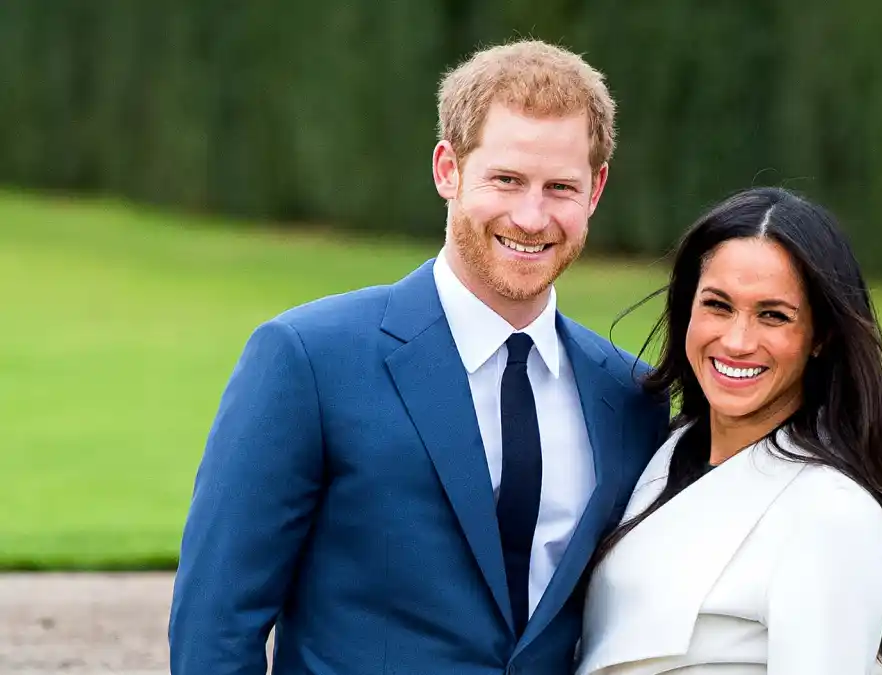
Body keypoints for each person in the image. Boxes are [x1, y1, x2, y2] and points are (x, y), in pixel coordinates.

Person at [168, 39, 670, 675]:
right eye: (507, 179)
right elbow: (215, 629)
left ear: (596, 189)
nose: (531, 215)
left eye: (560, 187)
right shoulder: (309, 359)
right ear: (447, 169)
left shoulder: (629, 397)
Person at [575, 187, 882, 675]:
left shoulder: (832, 513)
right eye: (718, 306)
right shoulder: (664, 450)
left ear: (820, 337)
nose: (738, 340)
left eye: (773, 316)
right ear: (687, 311)